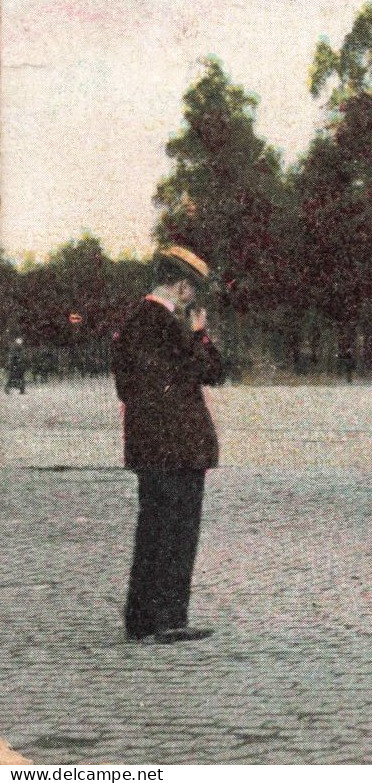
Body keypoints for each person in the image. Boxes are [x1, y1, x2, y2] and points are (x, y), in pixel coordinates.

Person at [112, 245, 224, 644]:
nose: (193, 301)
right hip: (173, 447)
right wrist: (199, 335)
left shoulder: (140, 322)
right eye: (192, 291)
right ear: (180, 287)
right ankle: (159, 618)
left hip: (159, 447)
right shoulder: (161, 324)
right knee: (171, 534)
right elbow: (206, 371)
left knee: (162, 532)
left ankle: (155, 617)